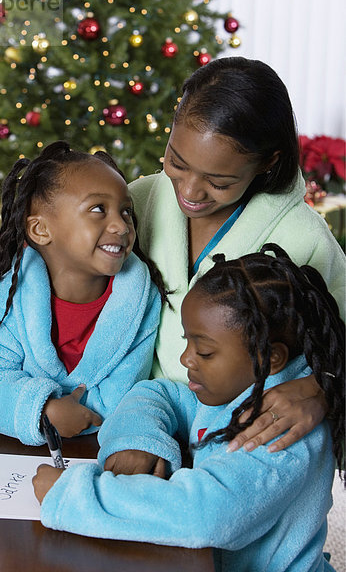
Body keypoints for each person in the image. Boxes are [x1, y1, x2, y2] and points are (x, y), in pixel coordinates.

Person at [33, 244, 344, 571]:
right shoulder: (240, 389)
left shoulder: (282, 433)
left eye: (205, 352)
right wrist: (139, 441)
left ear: (270, 357)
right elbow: (157, 393)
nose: (186, 359)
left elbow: (207, 514)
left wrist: (72, 494)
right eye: (187, 342)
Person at [128, 56, 345, 452]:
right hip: (142, 418)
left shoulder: (301, 238)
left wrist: (319, 389)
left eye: (219, 181)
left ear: (268, 162)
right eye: (176, 161)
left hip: (240, 438)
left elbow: (338, 339)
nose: (190, 192)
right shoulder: (139, 201)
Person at [0, 141, 163, 445]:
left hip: (98, 448)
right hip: (16, 450)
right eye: (98, 209)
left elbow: (123, 395)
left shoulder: (140, 299)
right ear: (41, 230)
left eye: (126, 211)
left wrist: (77, 417)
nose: (121, 225)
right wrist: (44, 412)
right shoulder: (14, 294)